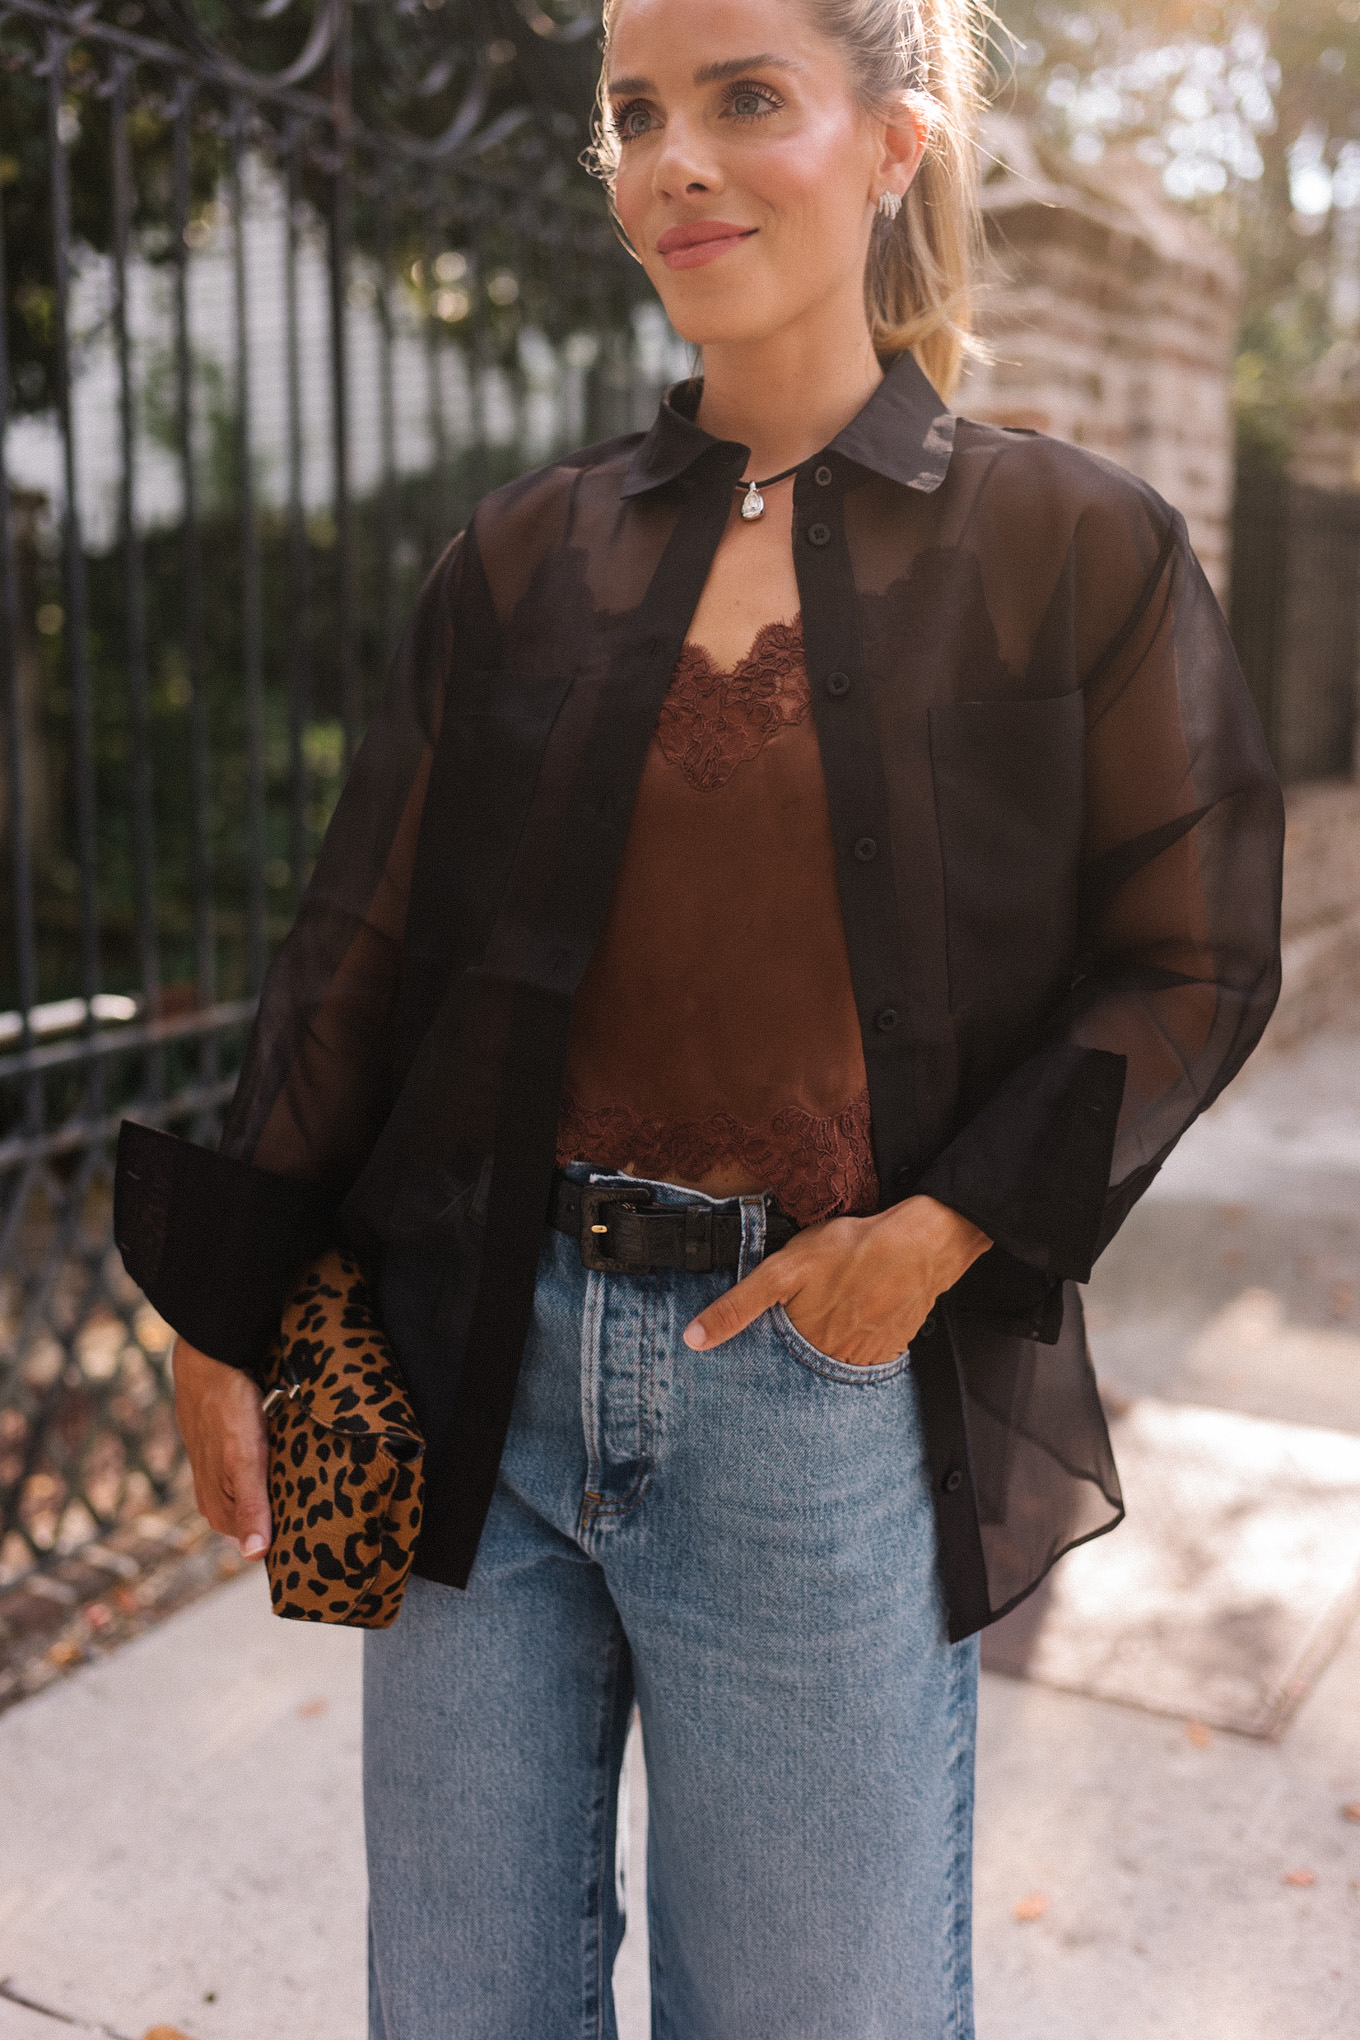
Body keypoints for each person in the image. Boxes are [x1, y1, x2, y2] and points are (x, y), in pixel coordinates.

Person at [117, 0, 1284, 2033]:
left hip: (816, 1402)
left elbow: (1191, 956)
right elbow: (360, 948)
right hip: (479, 1371)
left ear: (891, 141)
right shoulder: (519, 558)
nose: (676, 158)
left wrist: (923, 1246)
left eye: (746, 98)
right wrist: (230, 1298)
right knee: (461, 2002)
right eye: (634, 109)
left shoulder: (1068, 547)